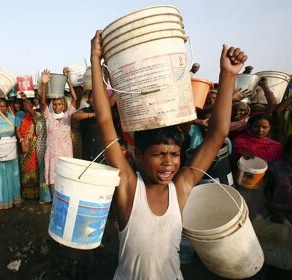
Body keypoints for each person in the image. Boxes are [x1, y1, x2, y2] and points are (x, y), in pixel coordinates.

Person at [91, 30, 247, 279]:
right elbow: (104, 121)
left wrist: (227, 75)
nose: (169, 163)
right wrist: (95, 61)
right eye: (159, 154)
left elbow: (217, 134)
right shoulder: (130, 188)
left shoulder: (181, 188)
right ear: (139, 156)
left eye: (174, 154)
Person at [40, 69, 78, 194]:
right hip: (52, 155)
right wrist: (44, 84)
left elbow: (75, 99)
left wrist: (68, 81)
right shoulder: (48, 117)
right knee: (54, 185)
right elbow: (43, 102)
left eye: (59, 104)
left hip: (66, 154)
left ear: (63, 105)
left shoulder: (68, 116)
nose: (57, 107)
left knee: (67, 183)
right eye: (55, 104)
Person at [17, 92, 39, 199]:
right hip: (23, 145)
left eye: (29, 104)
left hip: (34, 147)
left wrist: (25, 99)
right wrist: (21, 141)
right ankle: (26, 193)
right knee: (24, 168)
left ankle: (35, 193)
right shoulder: (19, 115)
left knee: (34, 168)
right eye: (25, 104)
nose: (27, 106)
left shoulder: (36, 114)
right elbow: (17, 129)